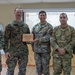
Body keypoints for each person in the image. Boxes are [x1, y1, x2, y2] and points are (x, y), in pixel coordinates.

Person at [3, 7, 30, 75]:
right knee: (10, 70)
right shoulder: (9, 26)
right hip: (12, 51)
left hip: (23, 52)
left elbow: (28, 38)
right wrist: (6, 51)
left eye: (20, 12)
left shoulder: (25, 26)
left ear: (22, 14)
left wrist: (32, 41)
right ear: (14, 13)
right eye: (17, 12)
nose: (19, 13)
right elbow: (5, 39)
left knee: (22, 70)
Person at [31, 11, 53, 75]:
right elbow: (32, 37)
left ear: (46, 16)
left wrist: (39, 39)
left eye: (43, 15)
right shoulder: (35, 27)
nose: (42, 17)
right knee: (38, 68)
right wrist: (32, 46)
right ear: (38, 16)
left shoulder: (49, 26)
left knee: (45, 68)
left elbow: (49, 37)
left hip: (45, 51)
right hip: (37, 51)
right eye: (41, 15)